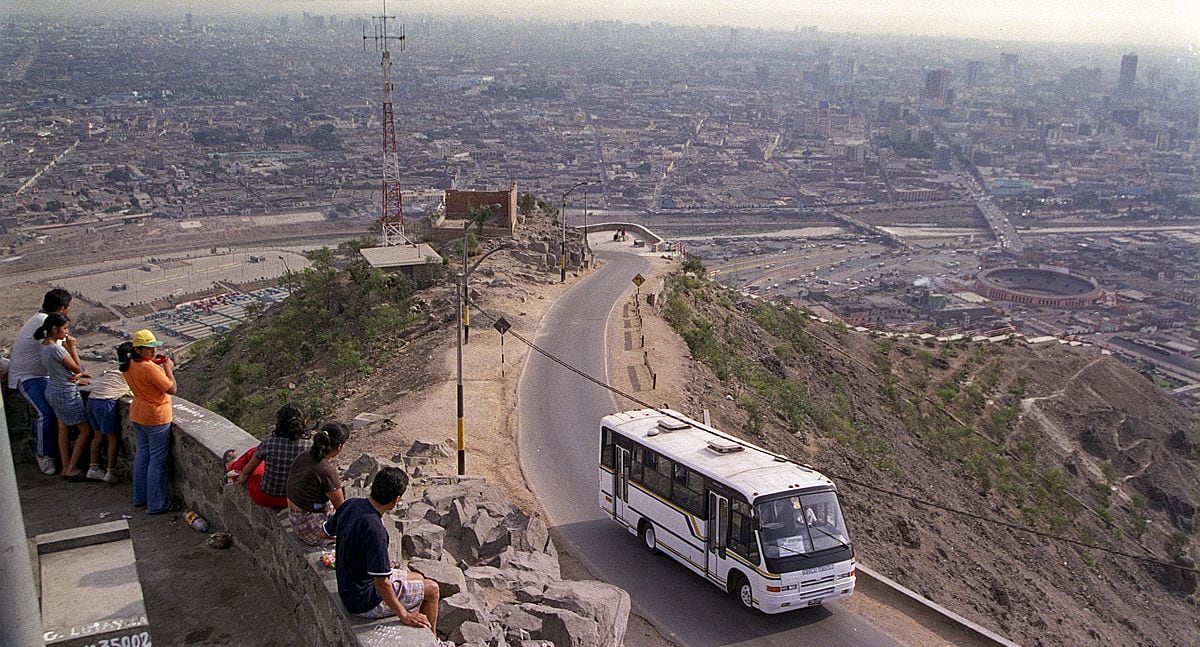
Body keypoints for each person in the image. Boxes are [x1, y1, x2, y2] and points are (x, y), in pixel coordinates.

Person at [324, 467, 440, 630]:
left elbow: (325, 531)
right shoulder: (376, 530)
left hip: (348, 587)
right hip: (363, 602)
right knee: (432, 589)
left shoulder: (351, 504)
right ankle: (432, 637)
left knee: (418, 577)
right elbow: (382, 583)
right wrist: (404, 615)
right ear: (396, 499)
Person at [7, 289, 72, 475]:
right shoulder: (46, 324)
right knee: (45, 413)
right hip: (26, 377)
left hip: (41, 376)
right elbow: (59, 358)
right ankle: (44, 455)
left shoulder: (41, 319)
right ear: (62, 308)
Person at [35, 313, 94, 481]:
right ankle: (71, 468)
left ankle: (66, 466)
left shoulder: (44, 346)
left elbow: (60, 370)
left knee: (63, 429)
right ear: (55, 329)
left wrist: (77, 377)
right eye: (65, 328)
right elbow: (76, 368)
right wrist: (72, 347)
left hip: (53, 389)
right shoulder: (56, 349)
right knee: (85, 430)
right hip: (65, 393)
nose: (67, 332)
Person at [125, 329, 176, 514]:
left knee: (143, 455)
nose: (153, 352)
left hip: (139, 414)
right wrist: (168, 368)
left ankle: (140, 497)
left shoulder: (129, 363)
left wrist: (154, 363)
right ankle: (157, 504)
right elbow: (171, 389)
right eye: (149, 349)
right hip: (155, 417)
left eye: (154, 348)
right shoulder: (149, 368)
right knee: (157, 461)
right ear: (138, 350)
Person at [226, 403, 310, 509]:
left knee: (255, 452)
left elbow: (249, 469)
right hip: (294, 500)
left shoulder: (269, 443)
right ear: (304, 422)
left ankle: (232, 467)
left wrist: (244, 476)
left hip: (265, 497)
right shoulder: (310, 447)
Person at [286, 421, 349, 546]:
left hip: (295, 518)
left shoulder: (304, 456)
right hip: (311, 529)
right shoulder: (326, 471)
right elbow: (342, 509)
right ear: (340, 446)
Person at [83, 342, 133, 484]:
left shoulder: (113, 371)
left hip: (92, 400)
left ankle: (93, 467)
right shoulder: (129, 373)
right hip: (105, 403)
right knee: (112, 438)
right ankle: (110, 471)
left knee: (97, 435)